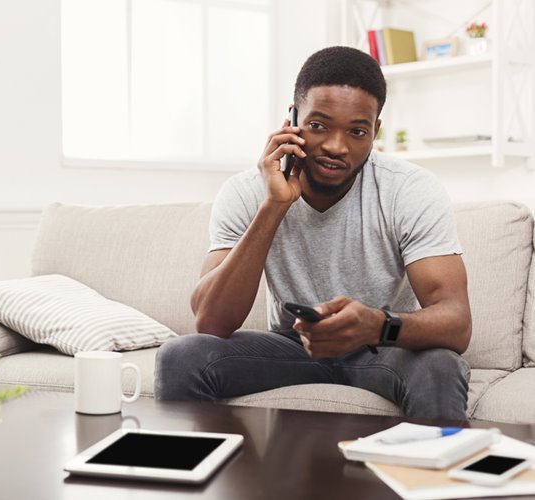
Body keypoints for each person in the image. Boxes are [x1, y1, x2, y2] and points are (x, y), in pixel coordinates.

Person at [154, 46, 472, 420]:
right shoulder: (245, 192)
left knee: (440, 366)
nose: (336, 147)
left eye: (357, 131)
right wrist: (274, 206)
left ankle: (430, 478)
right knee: (182, 356)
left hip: (379, 347)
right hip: (293, 347)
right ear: (292, 118)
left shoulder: (409, 189)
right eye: (318, 125)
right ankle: (227, 476)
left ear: (375, 131)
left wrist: (376, 325)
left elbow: (456, 323)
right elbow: (211, 322)